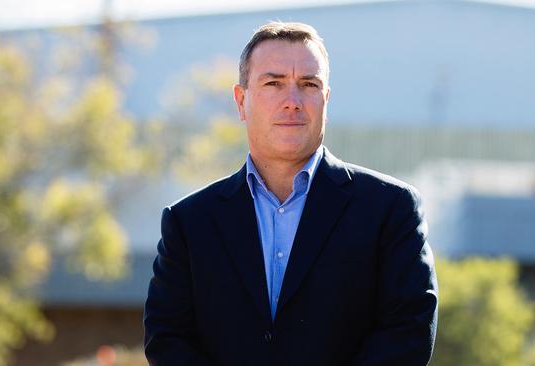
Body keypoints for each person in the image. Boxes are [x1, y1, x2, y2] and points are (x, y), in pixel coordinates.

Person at [143, 21, 438, 366]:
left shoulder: (390, 208)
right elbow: (168, 338)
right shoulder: (189, 222)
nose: (292, 101)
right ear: (241, 101)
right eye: (274, 83)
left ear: (325, 99)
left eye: (308, 85)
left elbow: (408, 331)